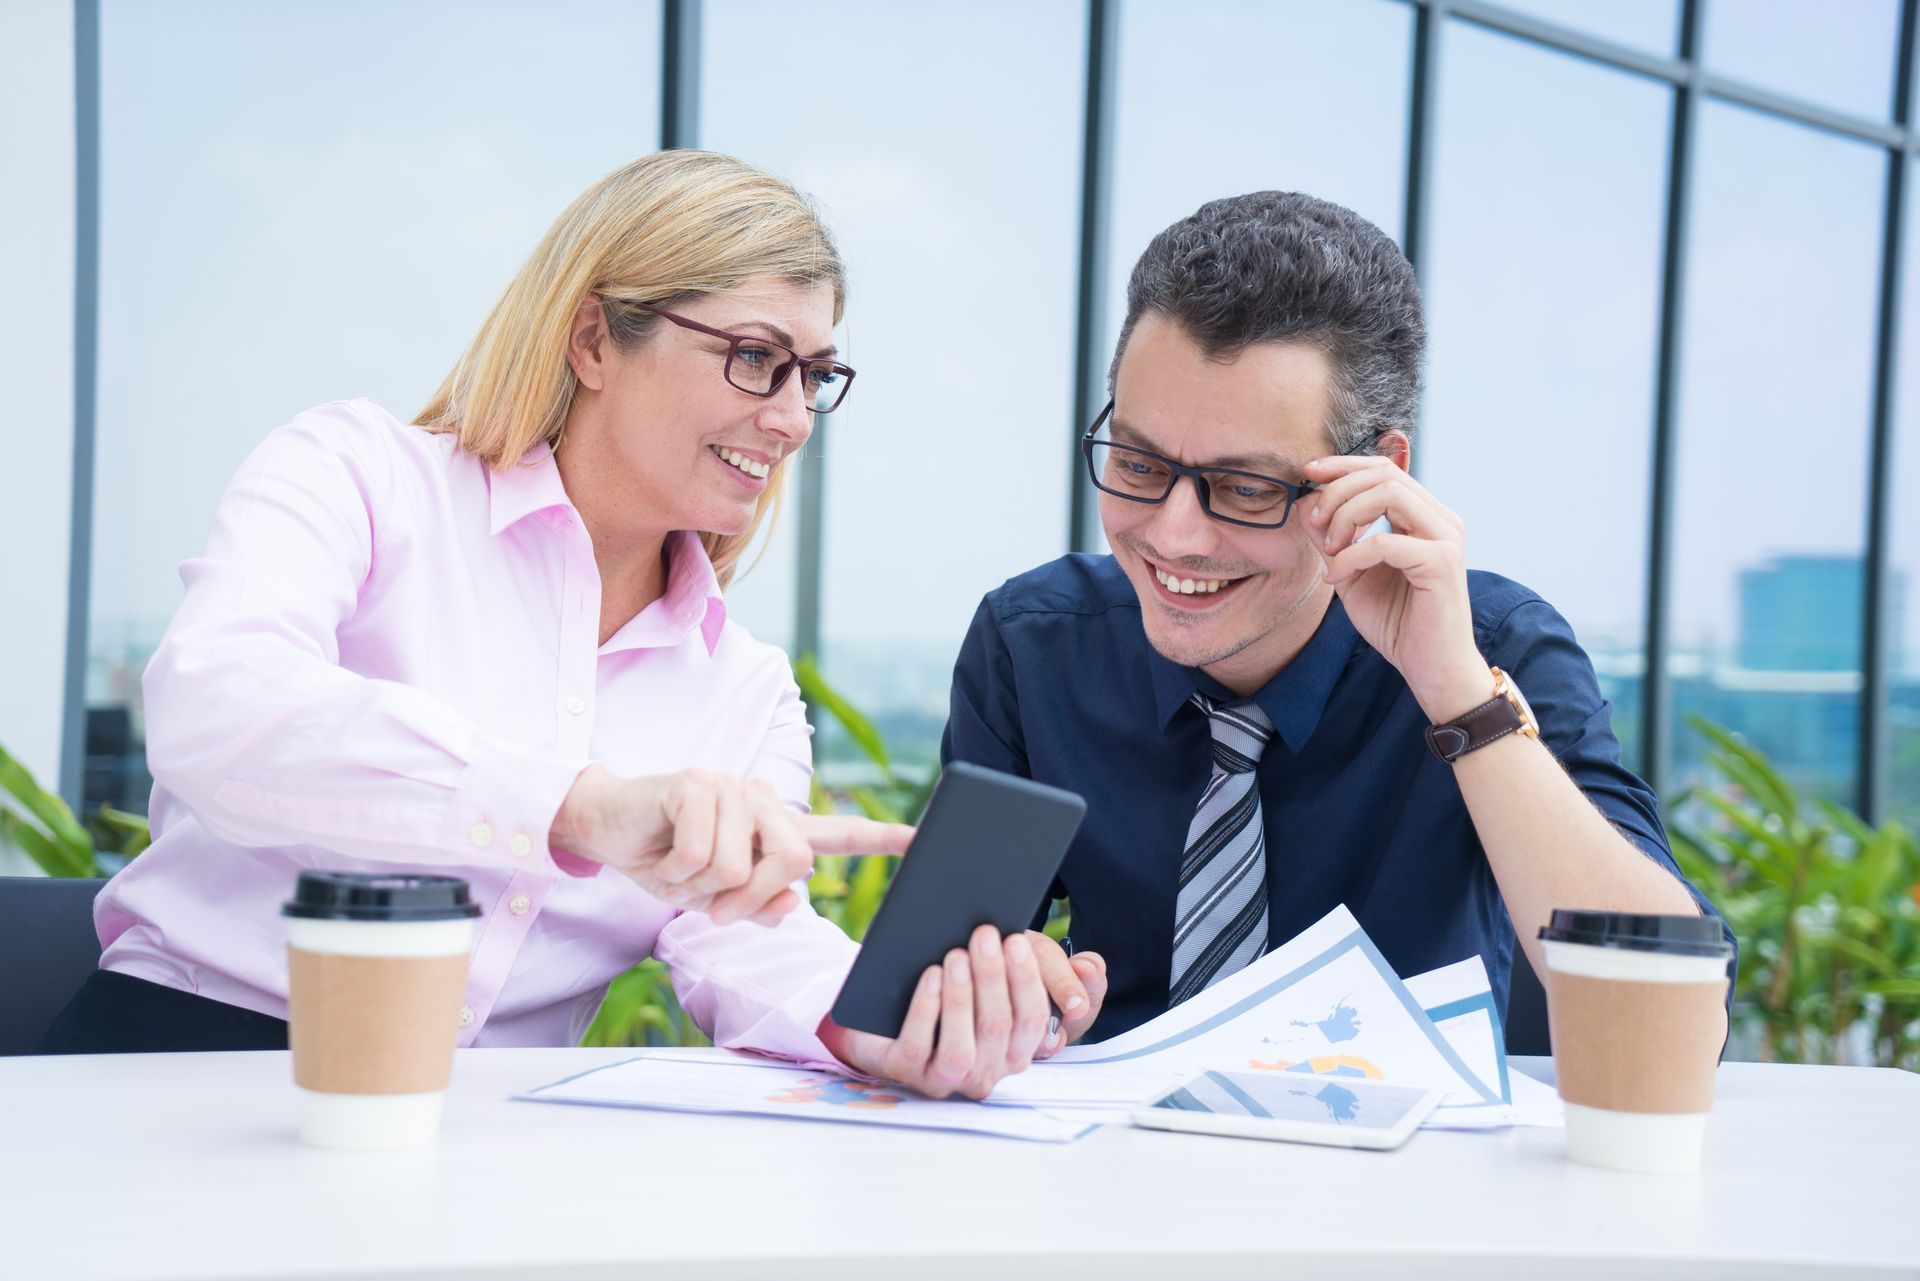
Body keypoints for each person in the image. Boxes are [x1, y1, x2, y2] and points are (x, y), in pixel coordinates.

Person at [43, 151, 1105, 1098]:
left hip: (482, 1140)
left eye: (815, 377)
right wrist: (577, 807)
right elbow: (217, 709)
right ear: (594, 337)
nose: (789, 418)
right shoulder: (357, 476)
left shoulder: (742, 689)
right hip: (172, 1081)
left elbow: (744, 940)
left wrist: (895, 1025)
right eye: (754, 357)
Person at [944, 191, 1734, 1042]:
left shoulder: (1489, 648)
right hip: (1100, 1153)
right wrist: (994, 981)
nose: (1172, 534)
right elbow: (940, 974)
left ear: (1374, 473)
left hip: (1407, 1166)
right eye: (1139, 464)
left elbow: (1678, 1016)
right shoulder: (1034, 648)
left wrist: (1459, 696)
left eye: (1246, 488)